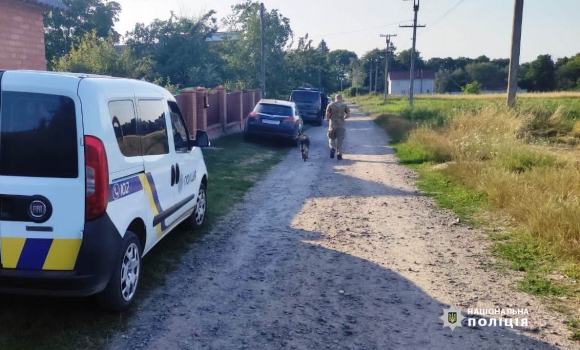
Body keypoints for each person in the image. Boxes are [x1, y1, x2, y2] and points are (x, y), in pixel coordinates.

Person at [325, 93, 350, 160]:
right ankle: (339, 154)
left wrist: (329, 118)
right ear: (341, 98)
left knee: (331, 138)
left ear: (335, 98)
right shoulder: (344, 105)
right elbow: (348, 115)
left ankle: (332, 148)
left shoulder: (330, 105)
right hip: (341, 124)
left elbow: (327, 114)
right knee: (340, 140)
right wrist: (344, 118)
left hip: (332, 124)